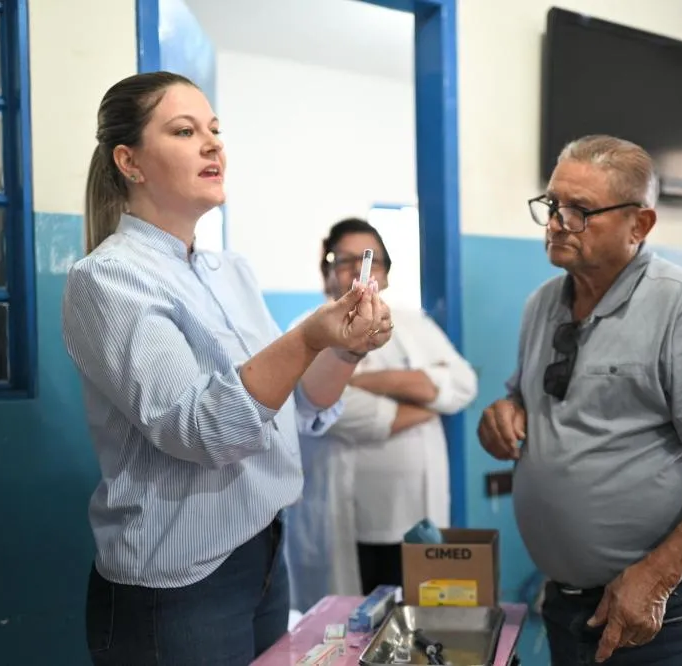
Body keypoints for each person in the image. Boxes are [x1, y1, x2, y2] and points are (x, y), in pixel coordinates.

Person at [61, 72, 393, 666]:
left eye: (215, 130)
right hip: (179, 583)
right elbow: (202, 431)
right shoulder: (109, 279)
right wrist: (305, 338)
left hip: (264, 554)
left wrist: (343, 347)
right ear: (129, 161)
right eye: (185, 131)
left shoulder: (230, 271)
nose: (214, 145)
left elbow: (299, 408)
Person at [477, 135, 682, 665]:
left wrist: (657, 576)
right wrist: (503, 416)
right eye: (552, 204)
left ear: (640, 225)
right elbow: (523, 402)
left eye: (581, 210)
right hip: (570, 600)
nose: (556, 221)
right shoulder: (540, 305)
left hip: (672, 601)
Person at [284, 218, 477, 611]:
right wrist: (425, 401)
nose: (360, 268)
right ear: (328, 271)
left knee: (417, 626)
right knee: (348, 630)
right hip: (344, 520)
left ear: (385, 270)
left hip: (412, 517)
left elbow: (462, 385)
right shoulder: (306, 330)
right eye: (346, 259)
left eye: (371, 258)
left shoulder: (413, 324)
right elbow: (337, 413)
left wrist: (364, 381)